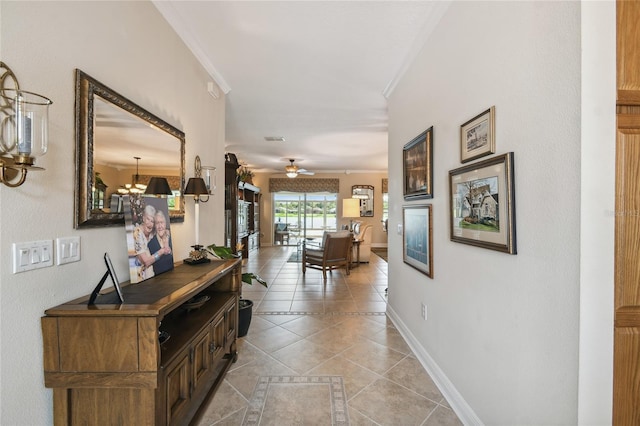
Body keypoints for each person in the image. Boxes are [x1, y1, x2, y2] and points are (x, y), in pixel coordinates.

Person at [133, 204, 157, 281]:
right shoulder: (137, 233)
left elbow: (165, 232)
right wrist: (161, 252)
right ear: (143, 218)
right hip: (139, 279)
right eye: (148, 219)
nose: (150, 224)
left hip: (150, 278)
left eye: (152, 221)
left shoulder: (151, 234)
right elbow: (146, 262)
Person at [148, 209, 173, 275]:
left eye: (162, 222)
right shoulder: (151, 243)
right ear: (154, 226)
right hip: (159, 278)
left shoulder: (171, 238)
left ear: (165, 224)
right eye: (157, 223)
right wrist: (162, 251)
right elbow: (149, 262)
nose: (160, 226)